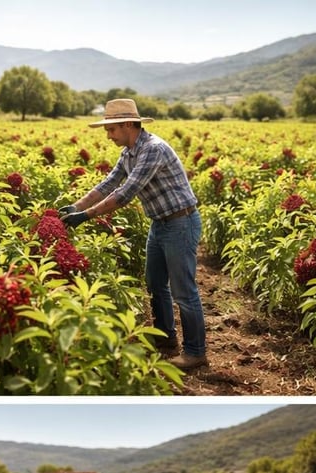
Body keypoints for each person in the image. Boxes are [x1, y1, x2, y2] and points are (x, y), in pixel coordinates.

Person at [59, 98, 208, 371]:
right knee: (155, 283)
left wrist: (86, 216)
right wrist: (76, 206)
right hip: (159, 224)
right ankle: (165, 339)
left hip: (180, 223)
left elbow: (125, 193)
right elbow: (108, 183)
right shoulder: (128, 152)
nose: (108, 135)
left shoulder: (153, 149)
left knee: (184, 292)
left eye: (111, 129)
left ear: (128, 124)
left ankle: (195, 352)